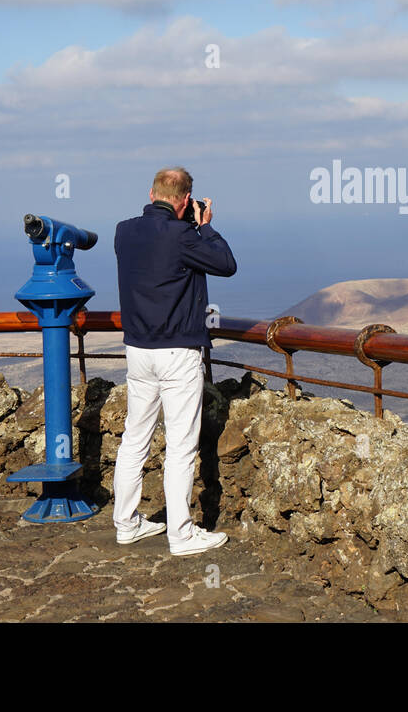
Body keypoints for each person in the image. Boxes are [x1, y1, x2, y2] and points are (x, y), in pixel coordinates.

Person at [113, 166, 237, 555]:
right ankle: (181, 535)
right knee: (181, 446)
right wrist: (205, 226)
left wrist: (186, 223)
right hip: (177, 352)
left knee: (134, 438)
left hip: (137, 350)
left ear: (151, 195)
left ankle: (126, 523)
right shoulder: (185, 235)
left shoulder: (123, 231)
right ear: (186, 200)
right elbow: (226, 264)